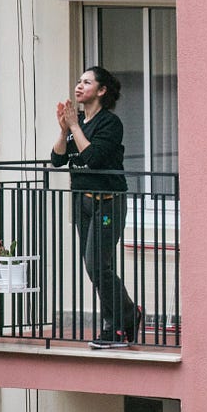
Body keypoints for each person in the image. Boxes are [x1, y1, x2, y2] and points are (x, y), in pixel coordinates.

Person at [51, 66, 141, 349]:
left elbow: (93, 158)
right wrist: (64, 129)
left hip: (107, 203)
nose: (79, 86)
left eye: (86, 82)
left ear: (101, 91)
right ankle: (115, 325)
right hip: (83, 202)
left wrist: (75, 128)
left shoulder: (109, 123)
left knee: (97, 265)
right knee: (97, 267)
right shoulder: (76, 121)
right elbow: (56, 160)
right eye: (78, 81)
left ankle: (123, 319)